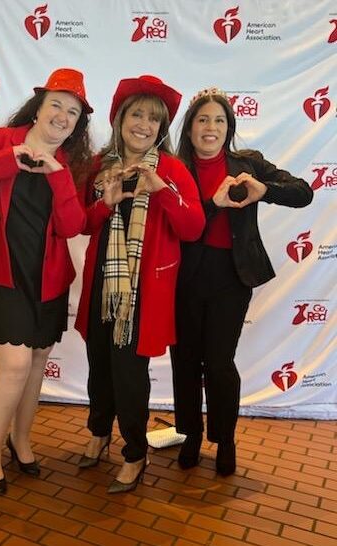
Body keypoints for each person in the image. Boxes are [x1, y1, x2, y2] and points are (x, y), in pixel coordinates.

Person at [0, 68, 93, 495]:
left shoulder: (72, 163)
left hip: (47, 278)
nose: (63, 117)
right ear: (38, 106)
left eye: (73, 112)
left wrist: (57, 176)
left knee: (34, 364)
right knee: (12, 364)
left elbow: (73, 227)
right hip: (2, 272)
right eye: (57, 106)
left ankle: (21, 439)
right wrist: (6, 161)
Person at [170, 87, 313, 476]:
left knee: (218, 363)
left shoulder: (248, 163)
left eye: (219, 120)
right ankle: (191, 435)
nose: (210, 127)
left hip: (231, 276)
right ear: (190, 127)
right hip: (183, 276)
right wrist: (211, 205)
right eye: (203, 119)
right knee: (184, 361)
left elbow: (304, 192)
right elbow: (174, 223)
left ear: (228, 127)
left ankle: (224, 438)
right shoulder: (173, 166)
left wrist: (266, 191)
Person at [74, 75, 205, 493]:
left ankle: (134, 453)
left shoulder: (172, 169)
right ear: (120, 119)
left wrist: (162, 191)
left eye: (153, 118)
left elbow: (193, 228)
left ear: (161, 128)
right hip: (102, 284)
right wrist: (103, 203)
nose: (144, 124)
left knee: (130, 373)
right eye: (137, 114)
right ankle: (98, 432)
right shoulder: (99, 164)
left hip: (143, 292)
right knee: (99, 364)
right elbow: (82, 222)